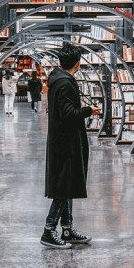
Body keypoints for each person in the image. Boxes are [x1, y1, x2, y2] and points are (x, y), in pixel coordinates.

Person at [40, 43, 100, 249]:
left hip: (63, 140)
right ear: (78, 63)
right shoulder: (65, 83)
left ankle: (66, 228)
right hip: (66, 143)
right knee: (63, 188)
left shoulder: (58, 79)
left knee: (67, 184)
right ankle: (48, 231)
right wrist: (88, 111)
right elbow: (68, 115)